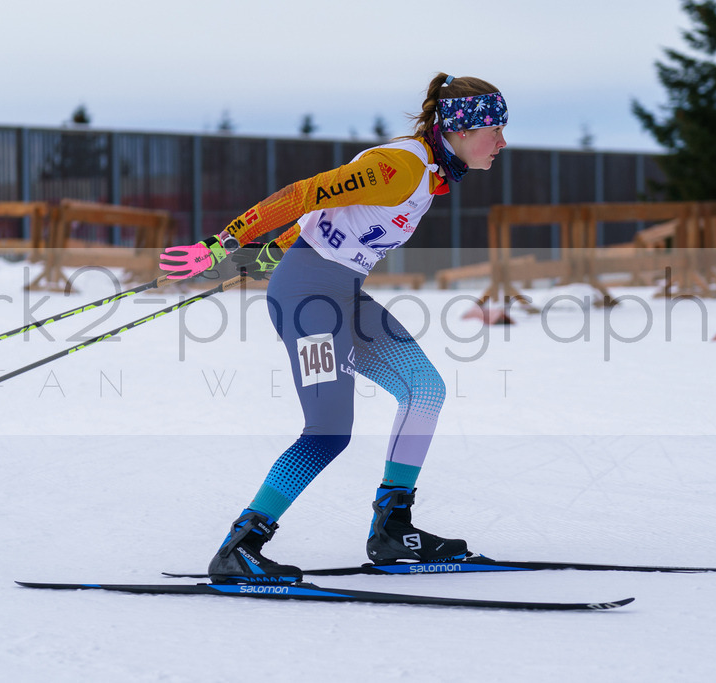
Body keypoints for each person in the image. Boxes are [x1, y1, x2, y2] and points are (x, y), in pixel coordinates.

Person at [159, 73, 507, 583]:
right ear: (459, 128)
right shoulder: (400, 166)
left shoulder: (430, 170)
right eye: (494, 129)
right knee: (327, 431)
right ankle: (241, 546)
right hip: (308, 301)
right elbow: (304, 193)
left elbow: (332, 211)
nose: (501, 142)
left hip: (340, 292)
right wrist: (224, 243)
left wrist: (277, 252)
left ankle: (392, 528)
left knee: (424, 390)